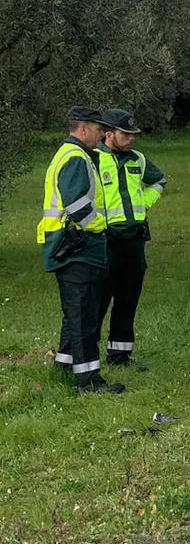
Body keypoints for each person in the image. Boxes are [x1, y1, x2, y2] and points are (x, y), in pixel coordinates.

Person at [39, 106, 124, 394]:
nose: (102, 136)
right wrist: (100, 225)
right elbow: (77, 206)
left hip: (68, 246)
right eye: (99, 130)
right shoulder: (76, 158)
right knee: (84, 316)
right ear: (83, 128)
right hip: (78, 247)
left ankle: (65, 366)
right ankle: (88, 381)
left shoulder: (73, 154)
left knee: (74, 312)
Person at [95, 108, 166, 369]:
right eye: (126, 134)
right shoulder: (94, 159)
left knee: (127, 299)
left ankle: (120, 355)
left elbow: (160, 181)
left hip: (133, 240)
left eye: (134, 134)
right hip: (104, 240)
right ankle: (88, 356)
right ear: (109, 134)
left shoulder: (138, 159)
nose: (132, 138)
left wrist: (143, 205)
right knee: (99, 300)